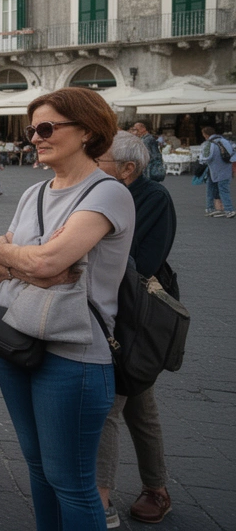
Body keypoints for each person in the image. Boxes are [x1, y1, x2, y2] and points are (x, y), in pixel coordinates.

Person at [0, 87, 134, 531]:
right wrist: (15, 257)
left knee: (71, 480)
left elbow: (49, 260)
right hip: (16, 339)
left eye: (46, 128)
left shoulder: (107, 193)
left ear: (87, 130)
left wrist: (27, 260)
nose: (35, 137)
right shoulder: (33, 194)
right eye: (33, 129)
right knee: (37, 467)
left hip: (74, 354)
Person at [94, 131, 176, 526]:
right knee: (139, 406)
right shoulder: (99, 191)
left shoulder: (153, 198)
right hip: (105, 312)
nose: (93, 164)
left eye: (101, 160)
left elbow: (145, 261)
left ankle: (100, 501)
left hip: (135, 319)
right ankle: (157, 487)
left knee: (112, 405)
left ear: (128, 168)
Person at [199, 125, 235, 217]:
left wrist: (201, 160)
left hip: (213, 170)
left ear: (206, 135)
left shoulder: (209, 143)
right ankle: (226, 209)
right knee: (224, 189)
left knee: (211, 189)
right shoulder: (225, 141)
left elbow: (206, 157)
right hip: (226, 169)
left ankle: (223, 209)